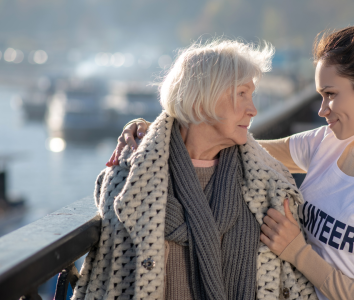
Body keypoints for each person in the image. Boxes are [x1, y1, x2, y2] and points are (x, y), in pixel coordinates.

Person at [114, 25, 354, 300]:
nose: (322, 110)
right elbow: (241, 145)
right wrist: (163, 129)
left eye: (331, 95)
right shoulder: (329, 142)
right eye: (320, 96)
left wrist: (298, 253)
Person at [74, 39, 319, 300]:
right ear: (203, 99)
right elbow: (109, 274)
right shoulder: (132, 177)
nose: (253, 110)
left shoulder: (268, 182)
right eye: (242, 94)